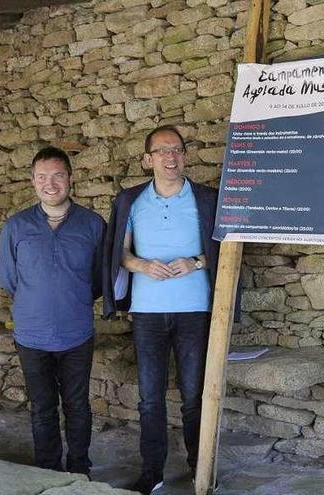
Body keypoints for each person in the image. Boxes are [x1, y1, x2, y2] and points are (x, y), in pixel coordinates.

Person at [102, 125, 220, 495]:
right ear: (147, 159)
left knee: (194, 396)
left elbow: (225, 250)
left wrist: (196, 263)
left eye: (178, 150)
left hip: (194, 310)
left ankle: (200, 470)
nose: (171, 158)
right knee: (149, 398)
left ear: (185, 156)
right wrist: (141, 265)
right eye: (162, 151)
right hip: (148, 312)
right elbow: (119, 253)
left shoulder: (206, 199)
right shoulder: (130, 201)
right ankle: (151, 472)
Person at [0, 146, 105, 476]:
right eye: (42, 177)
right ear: (32, 181)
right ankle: (46, 471)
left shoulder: (92, 224)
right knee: (42, 408)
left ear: (70, 179)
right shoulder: (16, 227)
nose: (50, 183)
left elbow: (99, 280)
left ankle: (78, 469)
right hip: (31, 335)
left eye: (58, 175)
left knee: (77, 406)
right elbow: (9, 278)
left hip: (76, 334)